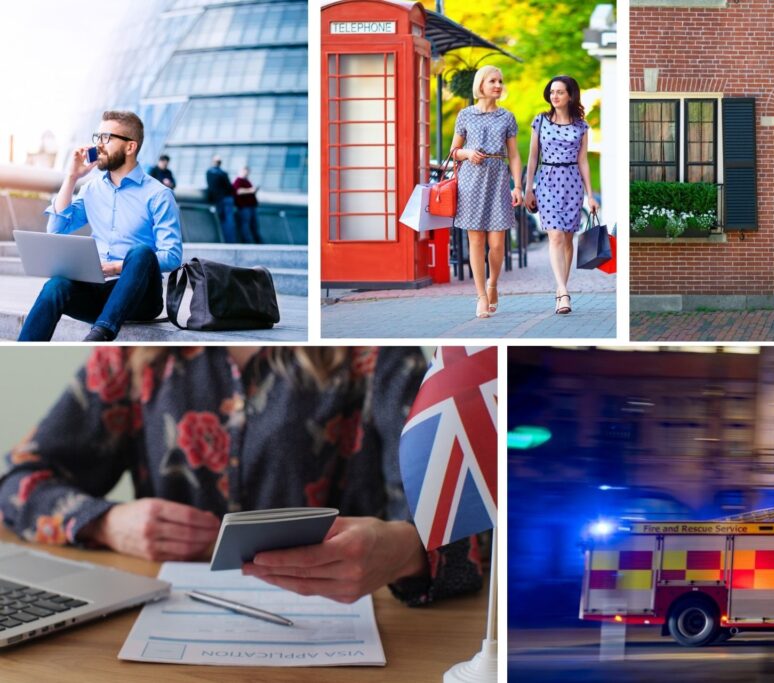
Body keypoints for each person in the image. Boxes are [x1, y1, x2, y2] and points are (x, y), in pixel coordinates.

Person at [0, 347, 483, 606]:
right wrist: (106, 522)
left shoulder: (379, 357)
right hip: (169, 625)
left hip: (356, 633)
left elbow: (468, 533)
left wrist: (401, 552)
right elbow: (16, 482)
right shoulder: (131, 355)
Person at [18, 111, 182, 342]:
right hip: (98, 291)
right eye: (98, 137)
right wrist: (72, 177)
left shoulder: (159, 195)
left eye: (106, 137)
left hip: (141, 297)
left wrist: (117, 267)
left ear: (130, 147)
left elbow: (172, 256)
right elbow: (55, 230)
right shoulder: (91, 189)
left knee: (141, 252)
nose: (99, 145)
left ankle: (99, 336)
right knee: (56, 286)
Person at [450, 66, 523, 319]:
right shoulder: (465, 115)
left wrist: (518, 186)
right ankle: (481, 296)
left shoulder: (507, 117)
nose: (498, 85)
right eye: (493, 80)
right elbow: (454, 152)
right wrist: (468, 153)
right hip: (471, 181)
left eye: (500, 81)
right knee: (476, 241)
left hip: (498, 180)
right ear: (481, 85)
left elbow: (513, 155)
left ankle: (493, 283)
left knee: (497, 243)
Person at [524, 76, 599, 315]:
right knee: (555, 236)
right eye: (552, 92)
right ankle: (563, 291)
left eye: (560, 92)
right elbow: (533, 157)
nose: (554, 96)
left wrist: (591, 195)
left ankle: (561, 289)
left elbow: (583, 161)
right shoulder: (540, 121)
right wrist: (528, 189)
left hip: (573, 183)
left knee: (568, 239)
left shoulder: (581, 126)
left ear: (570, 95)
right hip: (546, 180)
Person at [206, 155, 237, 243]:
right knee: (229, 220)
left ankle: (227, 241)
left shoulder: (209, 172)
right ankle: (230, 241)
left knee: (223, 220)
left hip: (218, 199)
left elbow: (211, 186)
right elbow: (229, 187)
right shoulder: (223, 173)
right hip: (227, 198)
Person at [232, 166, 262, 244]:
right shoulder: (238, 180)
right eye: (245, 171)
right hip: (244, 207)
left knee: (254, 225)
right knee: (245, 225)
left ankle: (257, 241)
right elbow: (238, 191)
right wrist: (250, 190)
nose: (247, 173)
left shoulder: (247, 181)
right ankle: (247, 242)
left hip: (251, 206)